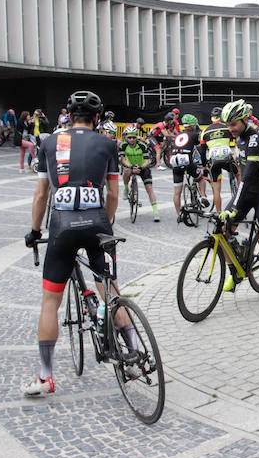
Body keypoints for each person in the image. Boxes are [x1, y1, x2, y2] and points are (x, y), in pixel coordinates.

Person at [22, 91, 126, 396]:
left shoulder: (49, 143)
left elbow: (42, 194)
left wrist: (33, 230)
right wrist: (104, 223)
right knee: (111, 289)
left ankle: (45, 377)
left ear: (68, 115)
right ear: (96, 118)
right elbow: (114, 196)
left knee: (50, 302)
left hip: (62, 227)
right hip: (97, 224)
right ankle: (133, 350)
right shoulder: (108, 143)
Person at [218, 100, 259, 308]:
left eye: (233, 125)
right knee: (221, 230)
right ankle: (234, 272)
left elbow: (248, 176)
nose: (230, 129)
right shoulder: (239, 138)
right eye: (227, 125)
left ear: (245, 119)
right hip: (246, 192)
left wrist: (235, 207)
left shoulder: (257, 139)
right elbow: (240, 171)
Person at [200, 107, 239, 213]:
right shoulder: (227, 127)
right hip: (227, 158)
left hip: (214, 160)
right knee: (239, 175)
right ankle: (241, 201)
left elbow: (202, 152)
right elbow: (237, 139)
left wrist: (204, 166)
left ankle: (218, 214)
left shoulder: (205, 131)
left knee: (216, 190)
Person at [119, 125, 160, 222]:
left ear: (136, 137)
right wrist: (131, 167)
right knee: (126, 171)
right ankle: (126, 188)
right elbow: (123, 160)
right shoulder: (123, 145)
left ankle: (156, 212)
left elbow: (147, 161)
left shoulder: (142, 145)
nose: (132, 139)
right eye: (129, 137)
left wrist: (141, 167)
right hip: (130, 166)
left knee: (149, 189)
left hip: (142, 167)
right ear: (126, 138)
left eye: (134, 137)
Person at [170, 114, 207, 221]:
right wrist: (203, 161)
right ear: (191, 125)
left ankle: (179, 215)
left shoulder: (178, 135)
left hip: (175, 161)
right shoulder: (194, 134)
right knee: (200, 178)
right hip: (186, 160)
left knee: (177, 192)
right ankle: (203, 197)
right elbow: (199, 149)